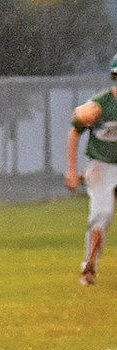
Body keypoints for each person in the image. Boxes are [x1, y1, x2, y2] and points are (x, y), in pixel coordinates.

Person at [65, 53, 117, 285]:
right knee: (102, 215)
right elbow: (75, 131)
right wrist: (71, 169)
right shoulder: (99, 106)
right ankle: (89, 265)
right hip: (101, 166)